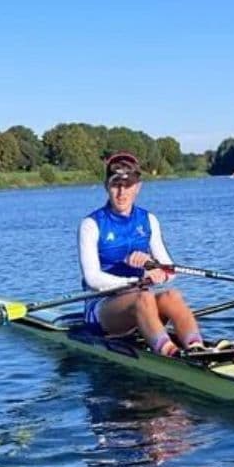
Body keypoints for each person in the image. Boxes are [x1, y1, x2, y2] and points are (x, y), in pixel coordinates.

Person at [78, 152, 203, 357]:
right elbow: (92, 279)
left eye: (128, 185)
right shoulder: (91, 225)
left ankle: (196, 347)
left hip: (140, 300)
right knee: (143, 297)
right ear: (106, 186)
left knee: (173, 296)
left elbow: (170, 272)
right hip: (102, 308)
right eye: (115, 185)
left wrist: (152, 266)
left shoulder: (148, 220)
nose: (121, 192)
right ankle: (169, 353)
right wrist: (136, 280)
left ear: (138, 187)